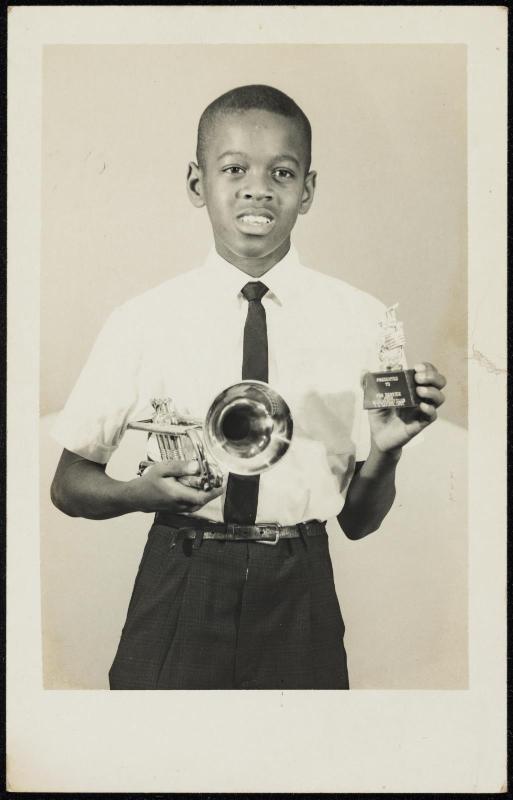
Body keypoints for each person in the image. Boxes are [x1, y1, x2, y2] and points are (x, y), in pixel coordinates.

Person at [50, 84, 447, 690]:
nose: (258, 188)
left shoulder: (364, 321)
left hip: (301, 584)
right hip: (180, 575)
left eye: (282, 172)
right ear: (196, 182)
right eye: (233, 168)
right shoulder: (143, 319)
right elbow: (68, 486)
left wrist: (389, 449)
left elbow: (360, 523)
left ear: (307, 190)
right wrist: (141, 492)